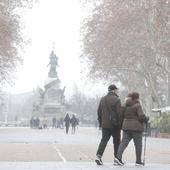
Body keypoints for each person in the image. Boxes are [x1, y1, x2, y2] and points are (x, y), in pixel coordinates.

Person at [114, 92, 149, 166]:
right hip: (136, 128)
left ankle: (117, 158)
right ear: (137, 98)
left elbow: (121, 115)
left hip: (126, 127)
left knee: (123, 143)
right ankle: (138, 162)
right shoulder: (137, 105)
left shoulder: (124, 105)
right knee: (138, 145)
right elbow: (141, 116)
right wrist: (146, 119)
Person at [95, 84, 123, 165]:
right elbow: (119, 113)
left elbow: (99, 112)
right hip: (115, 125)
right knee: (117, 142)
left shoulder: (102, 99)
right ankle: (117, 159)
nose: (117, 91)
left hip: (105, 125)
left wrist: (101, 123)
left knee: (104, 140)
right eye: (116, 90)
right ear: (114, 90)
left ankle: (98, 156)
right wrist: (120, 125)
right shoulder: (117, 100)